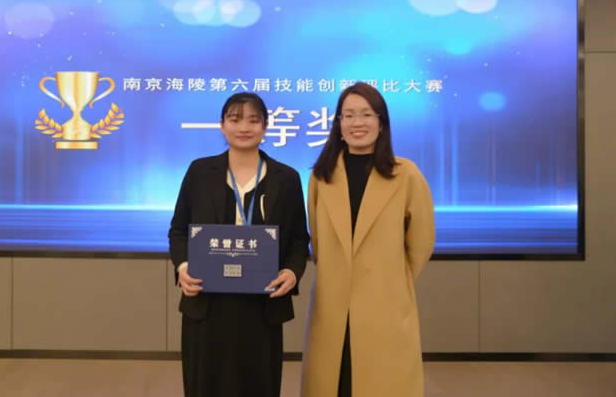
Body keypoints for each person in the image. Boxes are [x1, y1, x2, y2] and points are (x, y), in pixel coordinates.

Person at [168, 92, 310, 397]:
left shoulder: (286, 178)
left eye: (253, 120)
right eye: (235, 119)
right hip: (206, 304)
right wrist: (182, 267)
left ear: (265, 127)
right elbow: (178, 231)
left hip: (262, 307)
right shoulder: (199, 172)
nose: (244, 127)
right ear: (222, 125)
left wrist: (292, 272)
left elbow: (299, 239)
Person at [301, 82, 436, 397]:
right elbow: (317, 239)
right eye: (348, 115)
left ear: (381, 123)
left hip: (384, 299)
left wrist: (394, 278)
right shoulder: (322, 175)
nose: (356, 123)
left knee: (382, 382)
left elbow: (421, 241)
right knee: (333, 380)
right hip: (332, 299)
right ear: (338, 124)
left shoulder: (406, 174)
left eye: (366, 114)